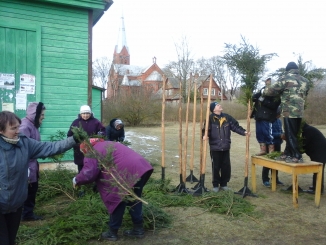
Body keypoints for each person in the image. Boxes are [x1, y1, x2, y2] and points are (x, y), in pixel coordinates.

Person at [0, 111, 79, 245]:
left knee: (10, 240)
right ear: (1, 130)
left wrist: (74, 140)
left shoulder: (24, 143)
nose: (18, 131)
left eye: (18, 127)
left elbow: (50, 147)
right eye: (13, 128)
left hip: (16, 204)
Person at [72, 139, 153, 241]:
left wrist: (76, 180)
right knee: (134, 199)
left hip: (126, 172)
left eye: (83, 152)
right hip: (141, 167)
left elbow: (89, 173)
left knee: (116, 199)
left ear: (85, 148)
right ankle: (138, 229)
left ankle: (112, 232)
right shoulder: (108, 144)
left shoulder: (92, 152)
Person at [263, 61, 311, 163]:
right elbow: (306, 92)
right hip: (299, 112)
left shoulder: (285, 78)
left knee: (290, 134)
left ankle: (297, 155)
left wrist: (264, 89)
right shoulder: (305, 80)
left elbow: (270, 91)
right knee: (293, 133)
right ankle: (287, 153)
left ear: (287, 69)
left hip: (289, 111)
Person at [203, 102, 250, 192]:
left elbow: (235, 126)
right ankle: (216, 185)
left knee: (226, 166)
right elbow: (205, 130)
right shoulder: (210, 119)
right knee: (216, 166)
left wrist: (244, 132)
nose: (220, 105)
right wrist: (204, 136)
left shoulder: (227, 117)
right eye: (217, 105)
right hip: (215, 147)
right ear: (213, 109)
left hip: (225, 146)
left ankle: (224, 184)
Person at [20, 102, 46, 221]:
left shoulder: (32, 125)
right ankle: (26, 214)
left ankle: (27, 212)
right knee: (29, 189)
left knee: (32, 188)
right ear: (35, 114)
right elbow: (23, 148)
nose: (43, 117)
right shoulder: (25, 127)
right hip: (26, 166)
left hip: (32, 164)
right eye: (42, 115)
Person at [67, 105, 105, 172]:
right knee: (81, 166)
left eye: (87, 113)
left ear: (90, 113)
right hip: (79, 149)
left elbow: (103, 131)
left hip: (93, 148)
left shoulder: (96, 122)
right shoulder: (76, 122)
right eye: (83, 113)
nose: (85, 115)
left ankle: (92, 180)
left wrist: (100, 135)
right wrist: (75, 142)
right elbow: (69, 134)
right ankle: (81, 180)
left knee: (93, 165)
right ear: (80, 114)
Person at [251, 78, 280, 156]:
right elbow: (253, 98)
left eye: (268, 82)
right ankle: (262, 149)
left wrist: (263, 100)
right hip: (259, 115)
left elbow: (274, 105)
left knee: (267, 134)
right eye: (266, 82)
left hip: (268, 117)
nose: (266, 83)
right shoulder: (262, 90)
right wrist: (259, 93)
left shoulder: (276, 93)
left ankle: (271, 150)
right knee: (259, 133)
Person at [261, 107, 284, 187]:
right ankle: (265, 180)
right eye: (278, 114)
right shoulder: (268, 121)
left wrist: (283, 135)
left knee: (276, 162)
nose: (279, 115)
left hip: (278, 144)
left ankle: (275, 179)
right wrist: (279, 135)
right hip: (270, 144)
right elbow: (268, 134)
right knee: (268, 162)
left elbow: (281, 131)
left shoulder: (279, 121)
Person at [301, 123, 326, 195]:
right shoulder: (309, 129)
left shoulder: (307, 131)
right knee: (317, 170)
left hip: (321, 151)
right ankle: (315, 186)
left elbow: (305, 144)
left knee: (318, 170)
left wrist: (299, 150)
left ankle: (318, 190)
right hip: (319, 151)